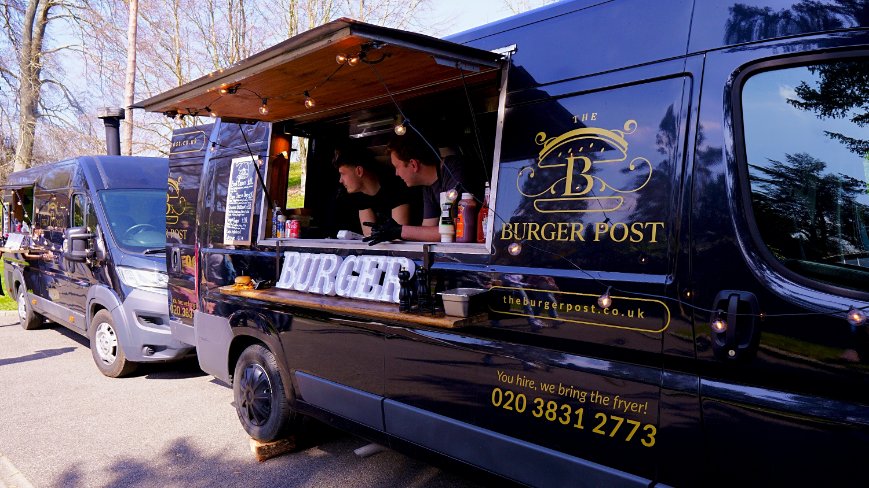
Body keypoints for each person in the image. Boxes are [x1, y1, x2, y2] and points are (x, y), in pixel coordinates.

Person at [365, 132, 470, 244]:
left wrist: (399, 231)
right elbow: (428, 230)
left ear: (413, 164)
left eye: (397, 167)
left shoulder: (453, 170)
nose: (396, 173)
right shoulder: (428, 186)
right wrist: (396, 231)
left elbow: (455, 231)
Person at [333, 144, 411, 237]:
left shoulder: (396, 188)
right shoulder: (359, 195)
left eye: (343, 174)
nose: (340, 180)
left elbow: (398, 235)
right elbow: (370, 236)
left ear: (359, 171)